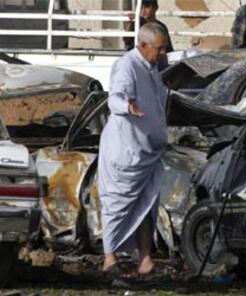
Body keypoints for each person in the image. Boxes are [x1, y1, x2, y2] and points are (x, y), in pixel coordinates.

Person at [98, 22, 168, 279]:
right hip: (125, 153)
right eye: (159, 49)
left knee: (147, 205)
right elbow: (114, 98)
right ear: (143, 45)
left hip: (148, 153)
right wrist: (127, 107)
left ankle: (145, 260)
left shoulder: (152, 69)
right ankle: (110, 259)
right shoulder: (127, 65)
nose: (162, 54)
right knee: (118, 204)